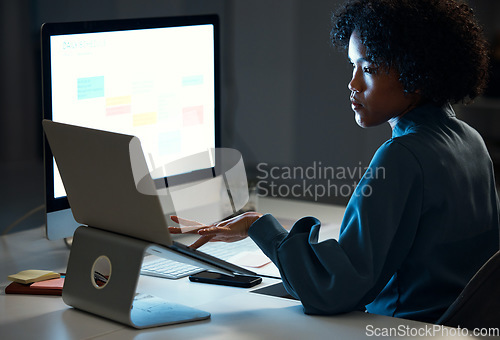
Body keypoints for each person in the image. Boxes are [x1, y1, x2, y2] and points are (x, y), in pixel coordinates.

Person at [170, 0, 500, 323]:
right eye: (352, 66)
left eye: (368, 69)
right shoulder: (471, 140)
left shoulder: (402, 156)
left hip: (405, 329)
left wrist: (259, 227)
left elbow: (333, 290)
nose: (353, 84)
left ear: (418, 72)